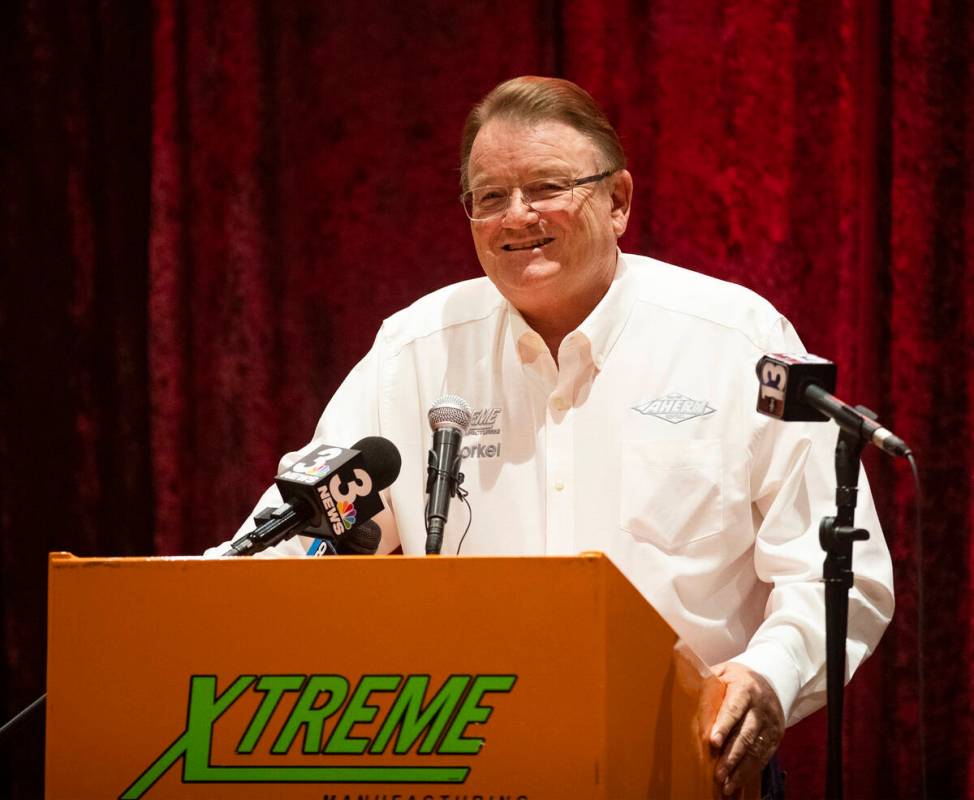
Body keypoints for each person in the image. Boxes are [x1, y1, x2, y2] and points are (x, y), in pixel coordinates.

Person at [209, 76, 894, 797]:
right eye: (489, 197)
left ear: (618, 201)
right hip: (468, 767)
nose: (517, 217)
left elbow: (837, 574)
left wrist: (769, 676)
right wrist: (193, 606)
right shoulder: (414, 351)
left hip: (682, 767)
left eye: (545, 187)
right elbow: (295, 537)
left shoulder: (737, 340)